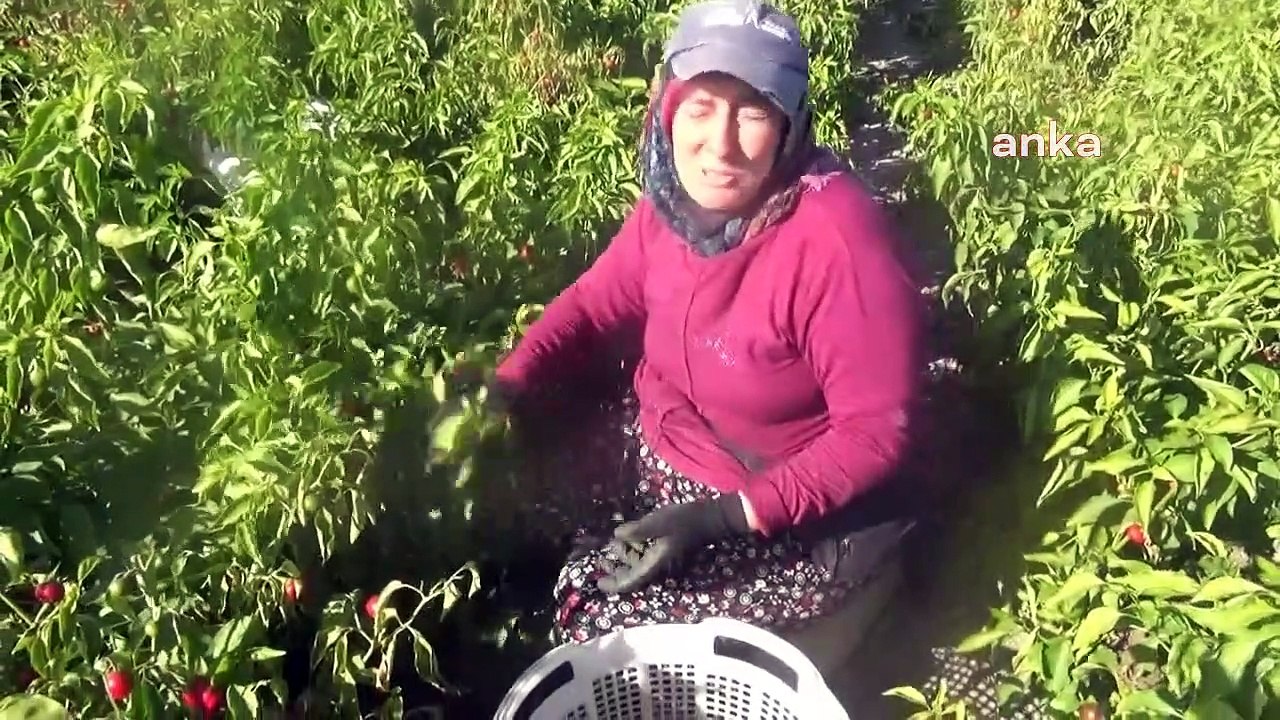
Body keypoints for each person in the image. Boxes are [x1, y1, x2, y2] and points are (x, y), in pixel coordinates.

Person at [490, 0, 929, 645]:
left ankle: (860, 612)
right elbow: (590, 305)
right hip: (670, 439)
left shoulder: (833, 241)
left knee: (601, 627)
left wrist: (715, 520)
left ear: (789, 128)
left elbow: (873, 433)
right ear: (667, 111)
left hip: (779, 507)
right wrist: (506, 388)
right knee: (508, 499)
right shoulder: (671, 206)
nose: (720, 145)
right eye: (700, 107)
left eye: (752, 111)